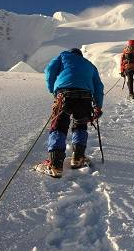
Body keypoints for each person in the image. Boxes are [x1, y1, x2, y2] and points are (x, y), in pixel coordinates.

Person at [34, 48, 104, 178]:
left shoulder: (62, 57)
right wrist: (98, 107)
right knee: (80, 125)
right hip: (85, 98)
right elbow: (99, 87)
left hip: (64, 95)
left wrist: (53, 89)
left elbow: (49, 71)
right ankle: (78, 158)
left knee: (59, 126)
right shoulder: (89, 64)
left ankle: (55, 164)